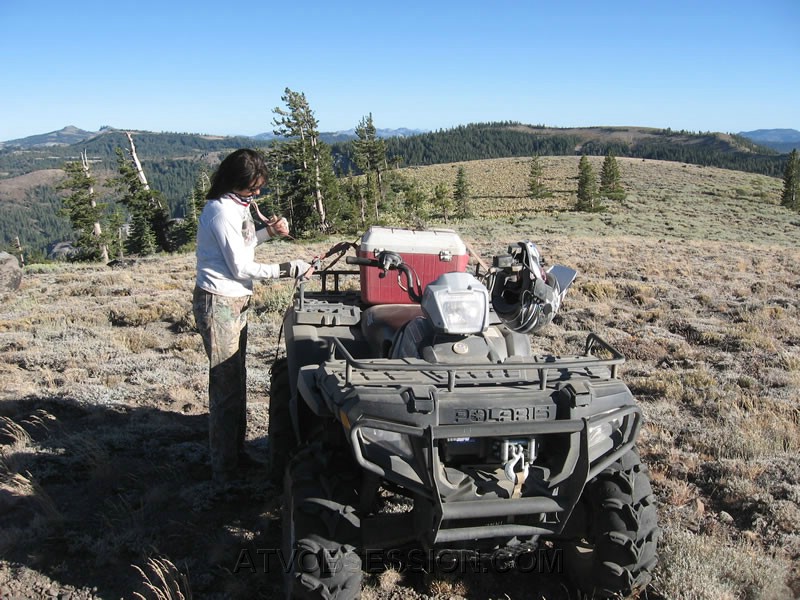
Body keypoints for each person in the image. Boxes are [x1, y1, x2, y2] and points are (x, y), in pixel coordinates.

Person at [192, 148, 310, 484]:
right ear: (235, 182)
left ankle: (235, 455)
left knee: (235, 380)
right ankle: (224, 470)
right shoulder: (219, 211)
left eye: (258, 188)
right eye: (251, 188)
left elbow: (242, 247)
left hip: (233, 300)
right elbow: (241, 266)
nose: (256, 194)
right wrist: (289, 268)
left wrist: (267, 234)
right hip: (220, 303)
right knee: (225, 386)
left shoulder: (235, 207)